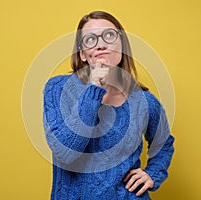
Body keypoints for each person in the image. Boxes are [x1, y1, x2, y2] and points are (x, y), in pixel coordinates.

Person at [43, 11, 175, 200]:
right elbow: (66, 152)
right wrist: (94, 88)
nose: (101, 44)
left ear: (122, 47)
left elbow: (164, 143)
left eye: (109, 36)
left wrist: (153, 174)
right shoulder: (58, 89)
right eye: (90, 39)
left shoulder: (144, 102)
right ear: (82, 54)